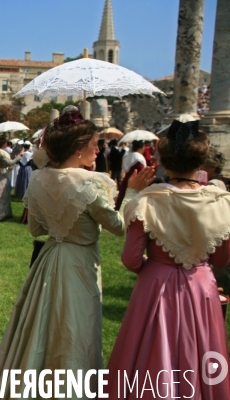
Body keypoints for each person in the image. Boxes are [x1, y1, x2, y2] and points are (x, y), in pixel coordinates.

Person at [0, 110, 154, 398]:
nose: (98, 149)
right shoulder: (90, 183)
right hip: (79, 263)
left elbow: (36, 229)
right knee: (76, 328)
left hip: (50, 258)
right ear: (78, 148)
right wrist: (132, 194)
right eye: (95, 144)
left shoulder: (40, 179)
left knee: (42, 324)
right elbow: (117, 226)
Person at [106, 120, 230, 399]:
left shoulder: (150, 201)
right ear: (201, 160)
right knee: (200, 352)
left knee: (150, 351)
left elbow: (132, 260)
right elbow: (221, 259)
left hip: (156, 287)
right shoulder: (220, 202)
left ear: (161, 161)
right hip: (201, 287)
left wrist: (159, 259)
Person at [115, 140, 147, 210]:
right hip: (136, 181)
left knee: (123, 197)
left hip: (126, 179)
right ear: (141, 148)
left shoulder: (128, 156)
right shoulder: (138, 157)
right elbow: (141, 171)